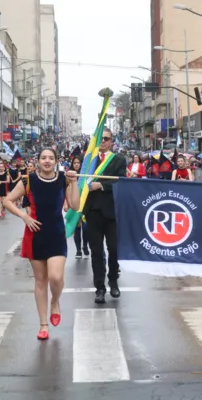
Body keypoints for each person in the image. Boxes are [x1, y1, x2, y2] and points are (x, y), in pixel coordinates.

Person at [2, 149, 79, 340]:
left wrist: (75, 182)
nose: (47, 161)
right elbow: (7, 201)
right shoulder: (28, 180)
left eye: (51, 158)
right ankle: (43, 325)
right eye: (43, 158)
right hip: (35, 235)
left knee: (56, 277)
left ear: (56, 161)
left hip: (56, 234)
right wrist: (24, 216)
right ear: (37, 161)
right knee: (40, 281)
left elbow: (75, 206)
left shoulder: (64, 179)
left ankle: (56, 302)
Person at [82, 127, 127, 304]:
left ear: (111, 141)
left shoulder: (118, 159)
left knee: (114, 249)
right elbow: (80, 181)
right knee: (96, 252)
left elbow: (120, 181)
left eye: (106, 139)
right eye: (100, 138)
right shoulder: (88, 161)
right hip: (93, 212)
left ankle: (113, 281)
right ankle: (99, 288)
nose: (103, 141)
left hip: (112, 211)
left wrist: (100, 185)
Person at [69, 157, 90, 258]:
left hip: (85, 206)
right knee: (76, 229)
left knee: (86, 229)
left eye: (78, 163)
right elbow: (66, 191)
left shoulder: (85, 175)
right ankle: (78, 250)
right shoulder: (69, 176)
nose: (76, 164)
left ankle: (85, 245)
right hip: (74, 207)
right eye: (74, 163)